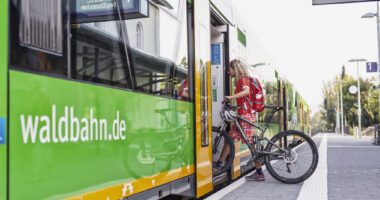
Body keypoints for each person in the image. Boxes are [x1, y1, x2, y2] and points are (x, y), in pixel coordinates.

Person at [213, 59, 265, 181]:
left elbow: (246, 92)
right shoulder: (241, 80)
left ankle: (259, 172)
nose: (228, 72)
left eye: (229, 69)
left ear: (234, 69)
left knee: (251, 144)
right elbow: (245, 100)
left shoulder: (243, 79)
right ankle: (220, 163)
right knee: (230, 138)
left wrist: (230, 97)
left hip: (246, 116)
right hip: (242, 115)